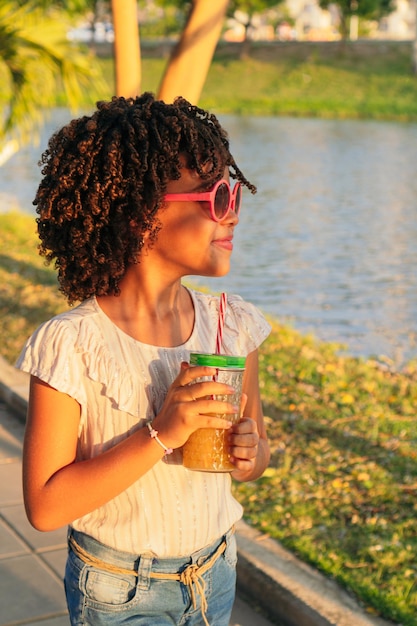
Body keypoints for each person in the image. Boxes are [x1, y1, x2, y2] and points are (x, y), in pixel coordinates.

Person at [16, 93, 271, 626]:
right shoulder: (74, 345)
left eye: (234, 195)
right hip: (118, 593)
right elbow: (44, 506)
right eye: (215, 197)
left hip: (216, 574)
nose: (233, 214)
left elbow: (256, 449)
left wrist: (251, 453)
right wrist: (161, 433)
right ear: (139, 216)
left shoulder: (230, 327)